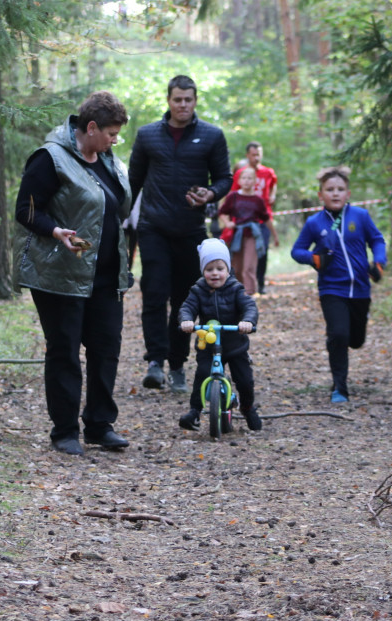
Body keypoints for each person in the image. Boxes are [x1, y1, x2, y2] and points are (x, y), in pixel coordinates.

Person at [13, 91, 133, 455]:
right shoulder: (50, 159)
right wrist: (55, 231)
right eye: (111, 133)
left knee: (105, 349)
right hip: (60, 275)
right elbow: (26, 209)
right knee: (64, 350)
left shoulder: (109, 161)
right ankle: (64, 431)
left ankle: (99, 424)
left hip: (106, 276)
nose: (115, 140)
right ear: (91, 127)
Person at [128, 75, 233, 393]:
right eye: (177, 99)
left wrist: (211, 194)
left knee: (184, 300)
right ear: (168, 101)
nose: (183, 105)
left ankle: (177, 365)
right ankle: (155, 362)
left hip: (191, 231)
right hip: (153, 228)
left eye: (188, 99)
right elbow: (132, 183)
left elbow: (225, 178)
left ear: (195, 100)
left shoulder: (212, 135)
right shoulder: (147, 135)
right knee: (154, 294)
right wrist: (118, 223)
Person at [290, 166, 387, 403]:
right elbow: (296, 250)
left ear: (348, 194)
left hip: (361, 289)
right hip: (331, 288)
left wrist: (379, 263)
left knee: (356, 340)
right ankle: (340, 388)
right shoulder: (314, 222)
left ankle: (344, 345)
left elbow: (377, 240)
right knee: (338, 334)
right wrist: (313, 258)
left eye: (340, 189)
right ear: (320, 194)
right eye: (330, 189)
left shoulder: (360, 217)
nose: (335, 194)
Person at [177, 238, 261, 431]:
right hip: (208, 344)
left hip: (235, 346)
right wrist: (186, 321)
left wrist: (247, 321)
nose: (215, 273)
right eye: (209, 269)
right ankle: (195, 412)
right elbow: (187, 308)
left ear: (228, 269)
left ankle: (248, 409)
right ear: (203, 271)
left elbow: (249, 306)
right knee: (202, 375)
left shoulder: (236, 288)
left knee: (245, 381)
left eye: (220, 268)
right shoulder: (198, 290)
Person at [229, 142, 278, 294]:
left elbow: (274, 183)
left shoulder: (268, 172)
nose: (257, 157)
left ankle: (259, 283)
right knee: (241, 255)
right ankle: (242, 287)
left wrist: (273, 194)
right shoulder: (241, 174)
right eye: (253, 154)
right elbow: (232, 194)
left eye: (259, 154)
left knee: (262, 252)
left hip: (263, 218)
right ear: (247, 155)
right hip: (243, 221)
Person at [217, 166, 269, 295]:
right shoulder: (233, 196)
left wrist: (274, 235)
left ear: (255, 181)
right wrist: (228, 223)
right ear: (239, 181)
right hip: (237, 236)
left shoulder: (258, 200)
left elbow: (266, 218)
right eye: (244, 178)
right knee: (237, 267)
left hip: (253, 236)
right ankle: (239, 293)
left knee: (249, 267)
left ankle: (250, 296)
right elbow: (222, 212)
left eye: (250, 178)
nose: (246, 181)